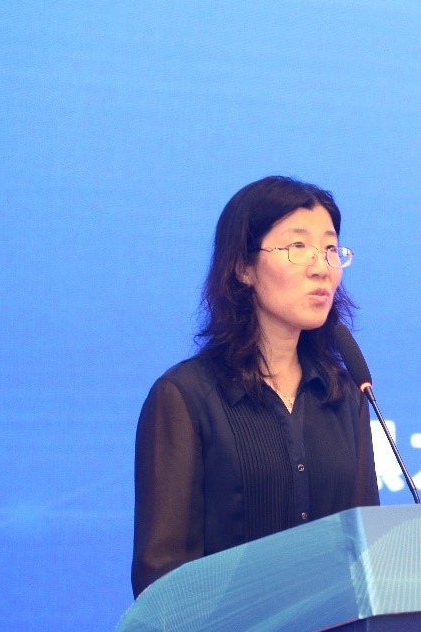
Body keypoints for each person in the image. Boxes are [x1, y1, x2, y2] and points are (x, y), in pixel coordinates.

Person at [132, 175, 381, 597]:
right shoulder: (185, 398)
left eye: (329, 249)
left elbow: (364, 553)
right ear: (242, 267)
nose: (321, 267)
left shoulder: (344, 395)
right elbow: (162, 578)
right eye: (297, 247)